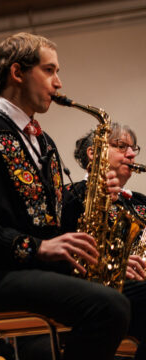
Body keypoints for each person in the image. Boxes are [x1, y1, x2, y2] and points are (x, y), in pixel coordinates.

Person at [0, 32, 133, 360]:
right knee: (108, 307)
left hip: (42, 273)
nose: (58, 83)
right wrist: (36, 247)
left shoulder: (44, 143)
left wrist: (93, 197)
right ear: (17, 72)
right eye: (49, 70)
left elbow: (48, 219)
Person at [62, 124, 146, 358]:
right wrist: (115, 265)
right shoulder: (71, 196)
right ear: (94, 152)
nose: (131, 154)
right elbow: (64, 255)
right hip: (97, 291)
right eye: (121, 146)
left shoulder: (140, 201)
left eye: (133, 149)